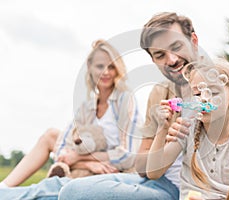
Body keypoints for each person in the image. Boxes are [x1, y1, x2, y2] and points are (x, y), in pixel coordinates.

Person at [60, 12, 229, 199]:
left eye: (176, 47)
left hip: (203, 192)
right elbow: (145, 167)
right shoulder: (161, 93)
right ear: (152, 60)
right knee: (70, 191)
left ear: (194, 40)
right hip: (161, 184)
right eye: (160, 55)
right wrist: (163, 133)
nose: (171, 60)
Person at [0, 39, 142, 199]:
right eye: (100, 66)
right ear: (90, 68)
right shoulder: (86, 107)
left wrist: (79, 157)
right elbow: (62, 147)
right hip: (89, 169)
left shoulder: (125, 100)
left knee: (47, 188)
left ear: (118, 69)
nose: (106, 72)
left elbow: (127, 155)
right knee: (51, 135)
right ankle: (4, 187)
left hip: (115, 170)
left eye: (111, 67)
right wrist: (88, 163)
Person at [147, 61, 229, 200]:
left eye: (212, 92)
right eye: (197, 93)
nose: (203, 99)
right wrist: (162, 130)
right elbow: (153, 172)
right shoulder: (187, 130)